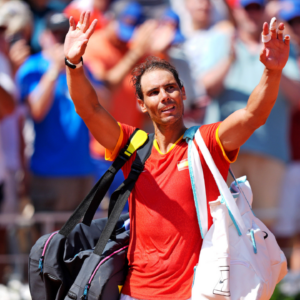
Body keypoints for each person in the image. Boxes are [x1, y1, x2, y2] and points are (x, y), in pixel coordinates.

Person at [64, 10, 289, 300]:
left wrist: (272, 70)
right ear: (142, 105)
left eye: (171, 88)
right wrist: (72, 63)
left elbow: (252, 115)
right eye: (154, 92)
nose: (164, 96)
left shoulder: (207, 142)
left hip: (197, 292)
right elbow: (89, 108)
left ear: (183, 93)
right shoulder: (132, 144)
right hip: (136, 293)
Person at [199, 0, 300, 229]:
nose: (252, 14)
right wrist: (229, 58)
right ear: (237, 12)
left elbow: (297, 98)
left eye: (258, 8)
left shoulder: (284, 43)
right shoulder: (221, 40)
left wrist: (276, 67)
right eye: (247, 8)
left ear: (266, 11)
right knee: (219, 226)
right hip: (223, 149)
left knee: (265, 231)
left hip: (270, 149)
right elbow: (207, 88)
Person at [16, 12, 95, 214]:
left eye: (64, 34)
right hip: (49, 171)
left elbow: (104, 104)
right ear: (43, 36)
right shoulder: (32, 67)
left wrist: (75, 66)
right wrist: (54, 69)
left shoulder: (81, 65)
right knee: (50, 242)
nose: (59, 40)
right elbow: (37, 111)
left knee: (82, 242)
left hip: (83, 168)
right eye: (55, 34)